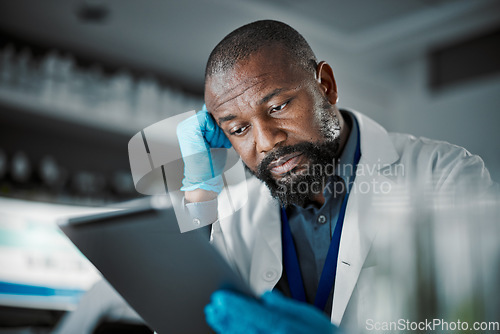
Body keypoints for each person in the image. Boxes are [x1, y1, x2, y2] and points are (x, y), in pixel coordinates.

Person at [176, 20, 497, 334]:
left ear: (325, 85)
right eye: (239, 129)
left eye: (277, 107)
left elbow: (481, 316)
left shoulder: (443, 173)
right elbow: (186, 314)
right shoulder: (235, 217)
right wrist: (199, 192)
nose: (265, 141)